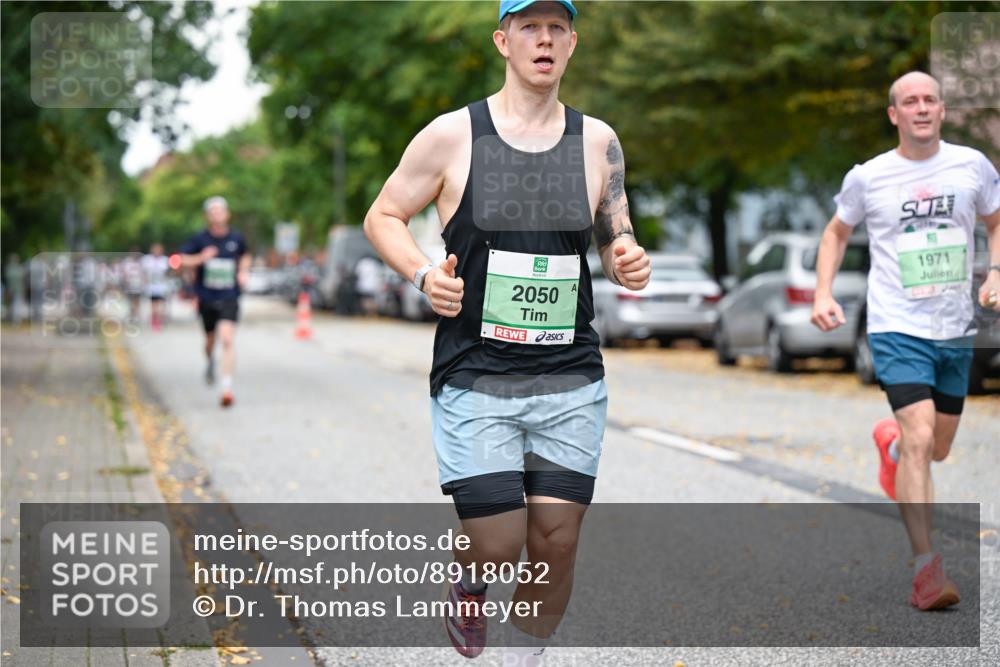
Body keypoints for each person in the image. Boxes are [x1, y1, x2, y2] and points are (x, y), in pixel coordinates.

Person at [364, 1, 650, 662]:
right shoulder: (452, 136)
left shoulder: (599, 141)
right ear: (503, 41)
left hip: (570, 371)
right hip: (476, 369)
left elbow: (616, 233)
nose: (543, 40)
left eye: (556, 29)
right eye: (529, 27)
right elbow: (383, 214)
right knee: (497, 541)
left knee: (556, 539)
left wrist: (627, 258)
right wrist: (422, 272)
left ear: (572, 44)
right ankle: (469, 579)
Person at [811, 71, 1000, 611]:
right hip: (897, 326)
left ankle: (890, 446)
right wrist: (823, 292)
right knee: (921, 440)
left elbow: (996, 219)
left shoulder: (972, 167)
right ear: (894, 114)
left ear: (942, 110)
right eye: (909, 102)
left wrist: (996, 272)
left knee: (936, 447)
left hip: (956, 326)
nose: (921, 109)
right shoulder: (869, 178)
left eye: (930, 100)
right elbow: (836, 233)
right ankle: (927, 572)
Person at [180, 196, 250, 408]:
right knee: (210, 341)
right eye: (213, 211)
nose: (217, 214)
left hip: (229, 296)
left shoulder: (236, 238)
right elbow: (180, 259)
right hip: (206, 297)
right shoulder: (200, 239)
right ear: (208, 216)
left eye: (220, 211)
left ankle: (226, 388)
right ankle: (210, 360)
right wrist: (200, 258)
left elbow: (245, 255)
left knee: (227, 339)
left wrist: (243, 272)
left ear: (227, 214)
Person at [142, 242, 170, 331]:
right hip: (152, 286)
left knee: (161, 305)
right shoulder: (147, 260)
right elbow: (144, 273)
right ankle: (154, 321)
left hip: (162, 286)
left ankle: (160, 321)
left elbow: (168, 273)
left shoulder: (165, 260)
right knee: (153, 305)